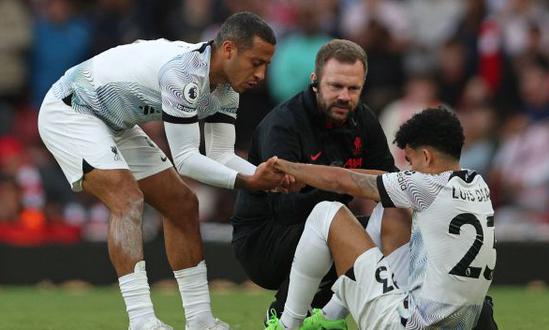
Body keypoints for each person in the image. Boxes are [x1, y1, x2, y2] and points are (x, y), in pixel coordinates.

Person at [38, 12, 283, 330]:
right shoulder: (184, 73)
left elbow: (221, 156)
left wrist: (263, 176)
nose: (261, 75)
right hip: (71, 108)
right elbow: (186, 160)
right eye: (256, 62)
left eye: (266, 65)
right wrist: (250, 180)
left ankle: (200, 319)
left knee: (182, 203)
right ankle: (141, 321)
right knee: (127, 199)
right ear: (228, 50)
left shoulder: (226, 88)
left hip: (115, 121)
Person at [266, 107, 497, 329]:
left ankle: (288, 324)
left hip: (407, 325)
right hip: (456, 322)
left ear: (426, 157)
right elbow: (385, 179)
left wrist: (290, 167)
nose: (409, 169)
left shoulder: (427, 186)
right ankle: (329, 318)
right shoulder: (477, 184)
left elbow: (341, 181)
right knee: (390, 207)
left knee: (325, 213)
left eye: (410, 161)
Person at [230, 38, 398, 323]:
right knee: (334, 222)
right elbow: (283, 209)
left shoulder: (364, 121)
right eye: (335, 86)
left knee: (395, 221)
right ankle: (284, 315)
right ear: (315, 81)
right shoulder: (284, 124)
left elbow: (392, 186)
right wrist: (338, 184)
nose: (344, 96)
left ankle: (329, 317)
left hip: (317, 227)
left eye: (353, 88)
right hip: (264, 240)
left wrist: (339, 183)